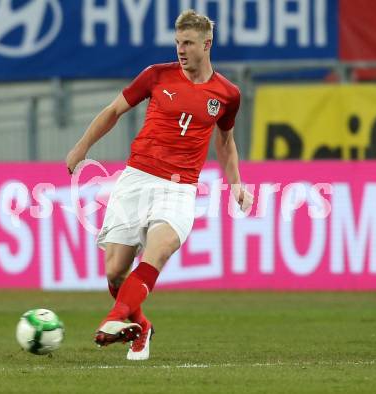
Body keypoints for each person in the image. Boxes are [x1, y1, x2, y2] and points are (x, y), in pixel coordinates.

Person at [66, 9, 254, 361]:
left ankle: (113, 319)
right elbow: (112, 111)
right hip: (137, 178)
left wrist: (236, 185)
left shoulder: (227, 94)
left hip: (180, 188)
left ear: (206, 44)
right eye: (177, 42)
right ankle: (142, 326)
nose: (181, 50)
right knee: (115, 271)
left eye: (188, 43)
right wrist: (81, 147)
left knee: (160, 248)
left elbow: (225, 143)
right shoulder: (156, 76)